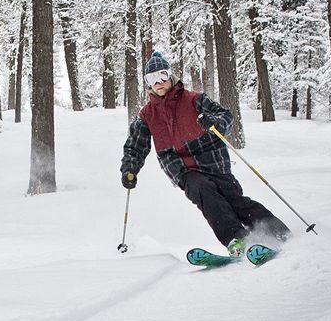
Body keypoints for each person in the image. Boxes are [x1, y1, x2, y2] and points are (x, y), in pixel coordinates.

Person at [120, 51, 290, 255]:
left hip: (213, 162)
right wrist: (130, 168)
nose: (159, 83)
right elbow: (135, 146)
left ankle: (281, 234)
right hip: (182, 169)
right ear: (147, 83)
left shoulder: (193, 100)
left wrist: (214, 122)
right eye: (152, 79)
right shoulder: (147, 115)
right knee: (204, 193)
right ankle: (237, 240)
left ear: (170, 76)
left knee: (236, 201)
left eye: (162, 76)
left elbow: (225, 116)